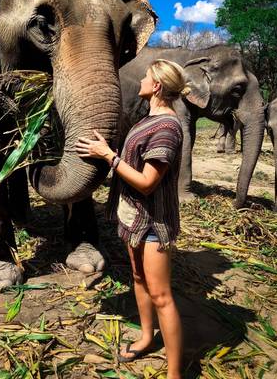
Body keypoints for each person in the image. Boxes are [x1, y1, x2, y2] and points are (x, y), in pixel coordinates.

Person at [75, 59, 190, 379]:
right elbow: (134, 160)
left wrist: (108, 156)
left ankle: (174, 373)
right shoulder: (148, 119)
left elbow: (147, 182)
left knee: (162, 296)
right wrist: (106, 149)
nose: (140, 78)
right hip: (133, 217)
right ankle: (144, 337)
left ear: (156, 87)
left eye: (146, 76)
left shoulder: (167, 128)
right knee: (138, 279)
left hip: (154, 222)